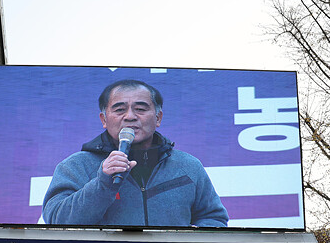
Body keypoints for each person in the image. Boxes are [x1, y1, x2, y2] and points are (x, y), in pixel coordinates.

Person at [42, 79, 228, 227]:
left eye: (140, 109)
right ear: (104, 120)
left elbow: (213, 217)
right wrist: (102, 183)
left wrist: (197, 238)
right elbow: (57, 221)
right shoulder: (76, 165)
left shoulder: (188, 165)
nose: (130, 116)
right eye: (119, 109)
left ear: (158, 118)